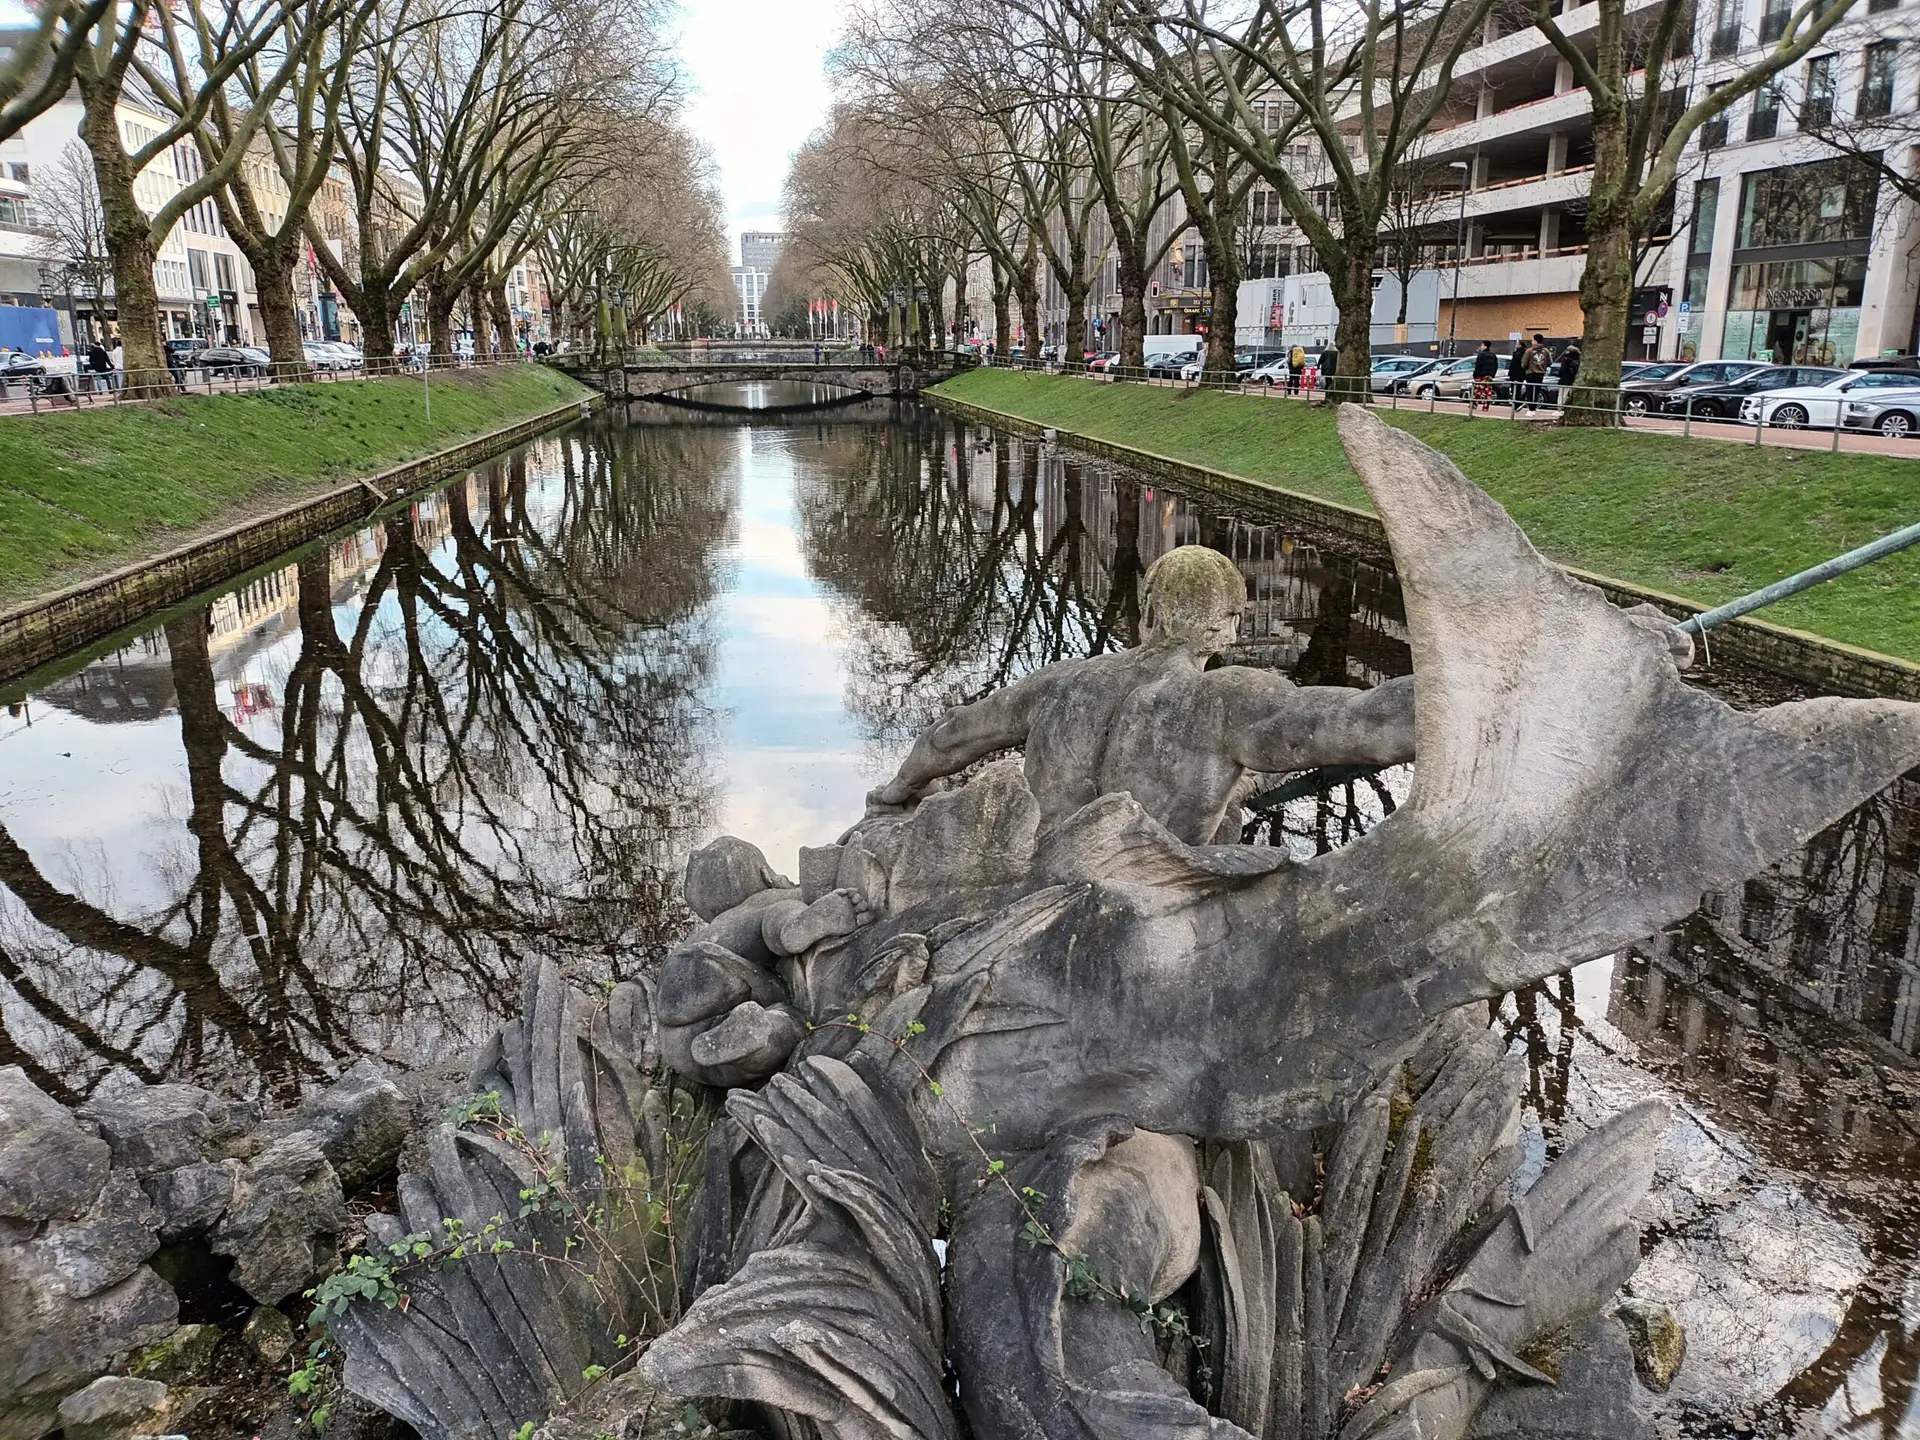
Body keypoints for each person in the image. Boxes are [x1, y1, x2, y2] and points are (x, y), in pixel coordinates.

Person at [1521, 332, 1553, 411]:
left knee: (1529, 391)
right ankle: (1534, 407)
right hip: (1540, 374)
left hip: (1530, 373)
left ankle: (1531, 408)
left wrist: (1526, 368)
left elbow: (1524, 363)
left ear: (1535, 341)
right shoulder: (1546, 351)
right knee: (1537, 390)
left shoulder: (1529, 351)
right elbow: (1550, 362)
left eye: (1532, 340)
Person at [1470, 340, 1501, 416]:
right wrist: (1492, 374)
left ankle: (1474, 405)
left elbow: (1478, 366)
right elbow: (1496, 366)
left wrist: (1475, 375)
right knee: (1488, 390)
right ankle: (1486, 406)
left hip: (1481, 375)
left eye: (1481, 345)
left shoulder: (1481, 355)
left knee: (1477, 390)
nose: (1481, 347)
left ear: (1484, 346)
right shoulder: (1493, 355)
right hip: (1489, 376)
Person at [1556, 342, 1581, 410]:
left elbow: (1562, 369)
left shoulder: (1566, 359)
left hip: (1565, 379)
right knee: (1568, 395)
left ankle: (1560, 409)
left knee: (1561, 395)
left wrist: (1559, 375)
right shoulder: (1578, 360)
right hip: (1573, 380)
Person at [1506, 341, 1527, 411]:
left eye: (1517, 344)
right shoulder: (1525, 353)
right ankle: (1517, 403)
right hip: (1520, 374)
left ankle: (1517, 404)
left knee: (1515, 389)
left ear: (1520, 345)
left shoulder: (1518, 354)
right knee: (1518, 389)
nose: (1516, 345)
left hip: (1515, 374)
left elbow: (1514, 364)